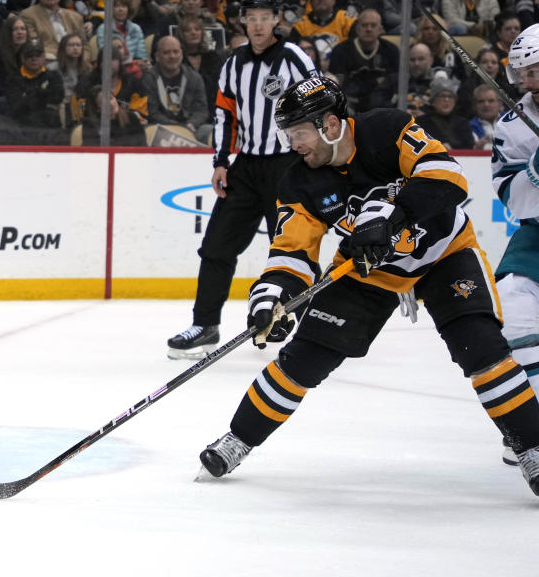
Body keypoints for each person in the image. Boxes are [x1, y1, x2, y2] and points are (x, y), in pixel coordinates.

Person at [196, 75, 539, 498]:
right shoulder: (299, 182)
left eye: (298, 133)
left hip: (444, 252)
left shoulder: (385, 129)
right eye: (288, 135)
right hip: (367, 270)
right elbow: (292, 252)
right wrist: (272, 298)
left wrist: (392, 215)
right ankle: (238, 439)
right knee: (302, 360)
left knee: (483, 349)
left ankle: (534, 449)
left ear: (331, 125)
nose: (293, 145)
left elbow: (449, 175)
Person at [165, 0, 318, 359]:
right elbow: (224, 114)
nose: (258, 24)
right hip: (245, 167)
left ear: (277, 20)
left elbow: (320, 101)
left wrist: (314, 155)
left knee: (291, 248)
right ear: (242, 21)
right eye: (252, 17)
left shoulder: (295, 59)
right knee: (217, 246)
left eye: (265, 17)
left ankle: (302, 326)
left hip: (287, 165)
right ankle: (205, 324)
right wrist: (220, 161)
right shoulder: (234, 63)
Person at [490, 24, 539, 465]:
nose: (529, 82)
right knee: (514, 312)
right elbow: (511, 197)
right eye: (524, 73)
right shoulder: (511, 126)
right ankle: (531, 427)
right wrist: (536, 169)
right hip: (537, 234)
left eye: (536, 71)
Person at [142, 35, 210, 145]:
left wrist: (191, 124)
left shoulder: (195, 78)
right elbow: (151, 112)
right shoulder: (148, 79)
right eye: (166, 53)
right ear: (157, 56)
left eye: (176, 52)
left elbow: (202, 110)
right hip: (160, 128)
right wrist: (178, 128)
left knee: (210, 130)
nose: (172, 56)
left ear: (182, 54)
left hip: (190, 128)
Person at [328, 8, 399, 112]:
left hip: (383, 105)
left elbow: (395, 82)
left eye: (373, 25)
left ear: (380, 29)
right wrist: (375, 81)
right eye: (364, 25)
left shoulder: (391, 50)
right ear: (357, 28)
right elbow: (339, 85)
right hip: (351, 105)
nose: (369, 29)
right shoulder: (341, 51)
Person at [20, 0, 91, 62]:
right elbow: (34, 46)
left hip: (76, 63)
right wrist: (66, 56)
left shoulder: (75, 17)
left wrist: (82, 61)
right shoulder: (28, 15)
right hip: (47, 63)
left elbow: (85, 47)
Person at [0, 14, 33, 100]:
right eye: (15, 29)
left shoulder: (29, 53)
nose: (20, 32)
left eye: (23, 29)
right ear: (8, 33)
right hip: (0, 97)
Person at [80, 84, 147, 146]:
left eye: (111, 98)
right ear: (97, 109)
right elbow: (91, 151)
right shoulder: (90, 124)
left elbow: (142, 146)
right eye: (104, 103)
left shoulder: (131, 118)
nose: (111, 104)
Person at [468, 84, 501, 149]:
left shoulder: (510, 121)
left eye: (491, 101)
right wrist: (476, 148)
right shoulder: (468, 127)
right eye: (481, 101)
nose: (486, 105)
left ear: (499, 103)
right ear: (475, 105)